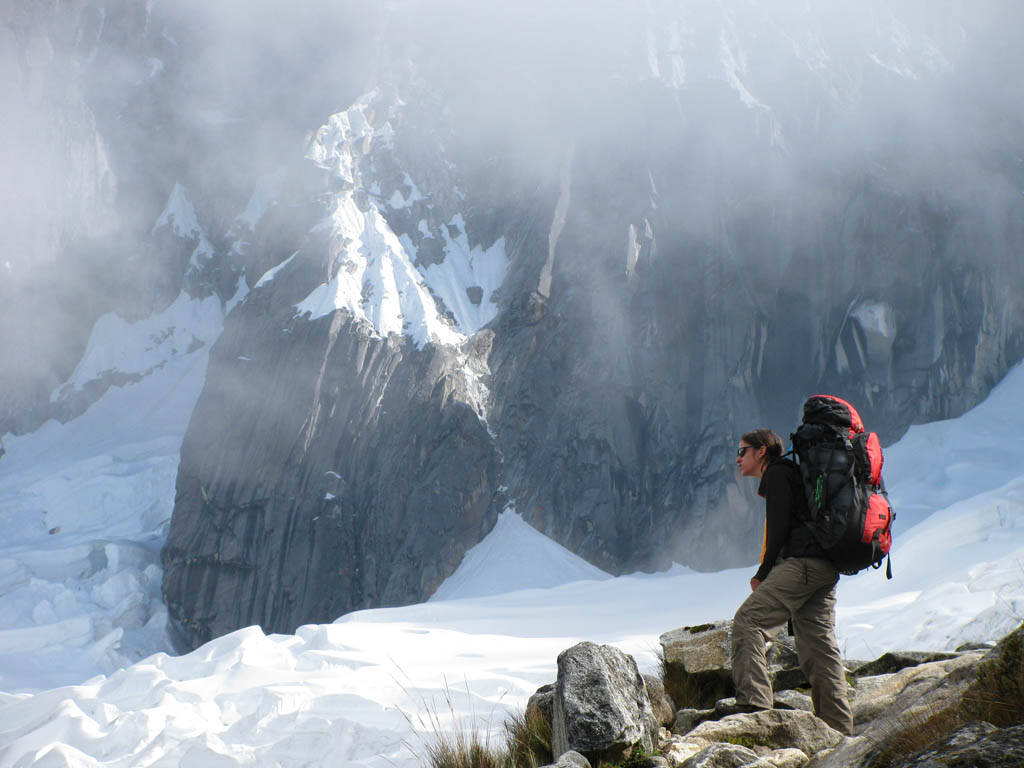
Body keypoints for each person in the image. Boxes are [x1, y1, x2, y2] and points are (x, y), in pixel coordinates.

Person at [730, 428, 854, 735]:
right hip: (824, 566)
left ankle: (755, 706)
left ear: (761, 452)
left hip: (801, 564)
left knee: (748, 621)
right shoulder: (793, 474)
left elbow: (780, 526)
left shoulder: (778, 474)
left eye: (743, 451)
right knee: (818, 647)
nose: (738, 458)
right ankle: (838, 731)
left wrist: (765, 571)